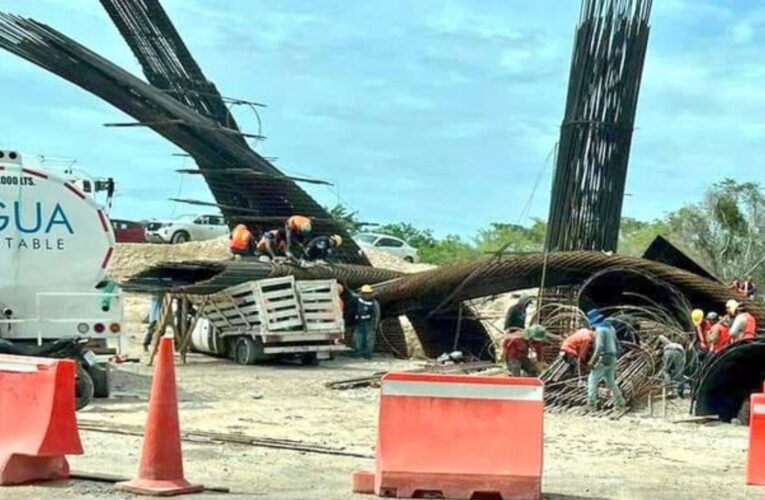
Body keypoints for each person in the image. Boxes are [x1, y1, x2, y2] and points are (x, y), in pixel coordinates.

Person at [585, 309, 626, 410]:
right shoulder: (610, 328)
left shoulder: (600, 330)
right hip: (613, 356)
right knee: (610, 381)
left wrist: (592, 361)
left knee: (592, 379)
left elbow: (599, 347)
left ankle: (591, 404)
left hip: (604, 357)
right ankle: (620, 401)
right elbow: (616, 343)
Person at [350, 284, 380, 359]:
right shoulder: (358, 300)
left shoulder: (374, 303)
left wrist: (375, 324)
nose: (367, 295)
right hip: (359, 322)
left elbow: (377, 314)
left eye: (368, 293)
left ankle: (368, 354)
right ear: (362, 293)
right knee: (357, 338)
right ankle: (358, 353)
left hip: (369, 323)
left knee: (369, 339)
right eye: (365, 293)